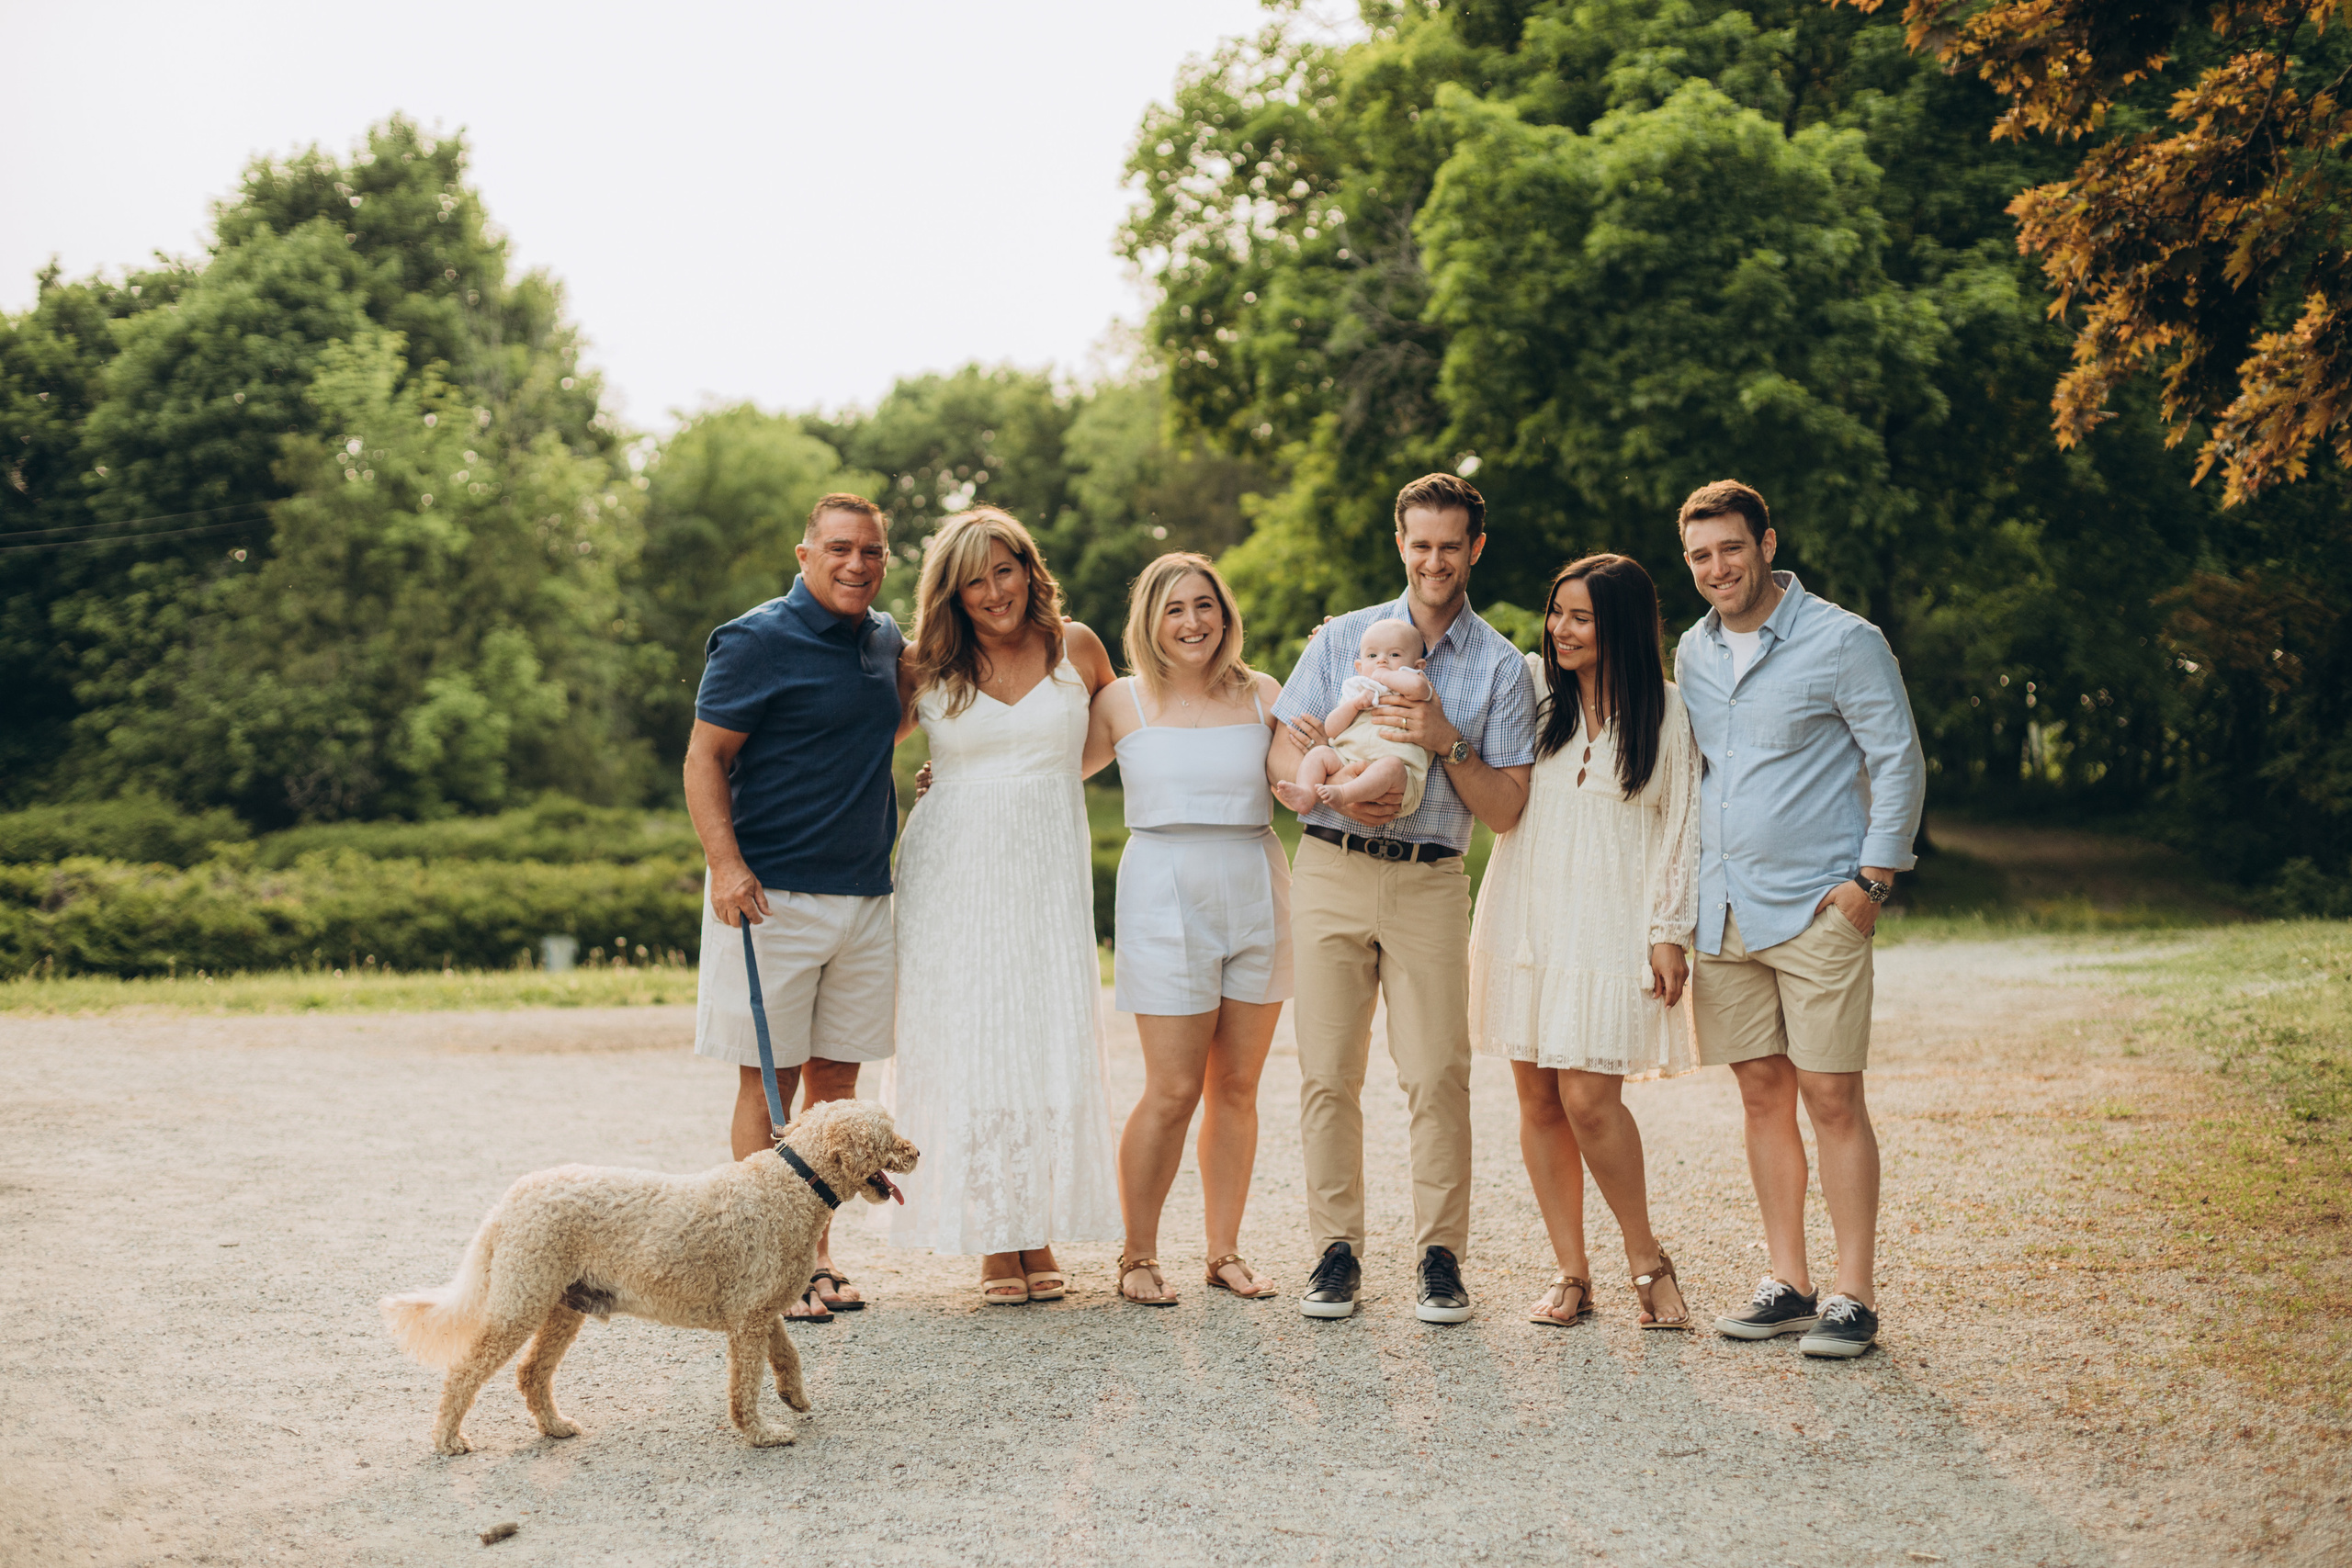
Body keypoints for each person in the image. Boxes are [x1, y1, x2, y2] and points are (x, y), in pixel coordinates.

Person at [1266, 472, 1540, 1324]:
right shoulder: (1342, 641)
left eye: (1451, 546)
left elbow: (1508, 808)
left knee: (1437, 1073)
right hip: (1331, 866)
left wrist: (1445, 741)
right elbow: (1283, 757)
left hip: (1429, 879)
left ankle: (1440, 1257)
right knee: (1326, 1072)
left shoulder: (1500, 666)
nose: (1434, 560)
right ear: (1401, 544)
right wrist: (1335, 792)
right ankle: (1335, 1251)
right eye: (1421, 544)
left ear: (1476, 548)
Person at [1672, 479, 1925, 1359]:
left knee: (1832, 1095)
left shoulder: (1845, 640)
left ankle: (1854, 1293)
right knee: (1760, 1093)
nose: (1717, 568)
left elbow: (1898, 759)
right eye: (1700, 555)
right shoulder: (1693, 652)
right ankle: (1789, 1281)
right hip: (1726, 910)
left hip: (1821, 905)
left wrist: (1872, 883)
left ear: (1767, 544)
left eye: (1731, 548)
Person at [882, 506, 1122, 1304]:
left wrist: (1037, 782)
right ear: (951, 592)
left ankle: (1035, 1226)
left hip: (1047, 869)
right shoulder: (923, 662)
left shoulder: (1076, 646)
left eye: (1004, 570)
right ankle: (994, 1232)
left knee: (1041, 1035)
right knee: (973, 1040)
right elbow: (852, 749)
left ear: (1029, 568)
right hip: (954, 873)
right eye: (974, 581)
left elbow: (1126, 728)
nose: (994, 592)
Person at [683, 492, 902, 1323]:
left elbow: (876, 730)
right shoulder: (753, 640)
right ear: (805, 554)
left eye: (872, 551)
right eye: (840, 548)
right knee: (770, 1083)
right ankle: (762, 1266)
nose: (856, 563)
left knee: (836, 1092)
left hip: (865, 898)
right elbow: (704, 758)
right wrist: (725, 864)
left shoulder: (884, 640)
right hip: (769, 898)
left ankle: (815, 1256)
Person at [1467, 555, 1701, 1330]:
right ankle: (1571, 1270)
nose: (1560, 629)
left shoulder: (1668, 710)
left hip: (1611, 925)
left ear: (1622, 627)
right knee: (1538, 1098)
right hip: (1527, 914)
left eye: (1581, 617)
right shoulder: (1532, 687)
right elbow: (1446, 664)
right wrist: (1358, 641)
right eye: (1556, 612)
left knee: (1590, 1100)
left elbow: (1683, 824)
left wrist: (1669, 930)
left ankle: (1646, 1256)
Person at [1088, 553, 1291, 1306]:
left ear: (1225, 613)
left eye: (1204, 604)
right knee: (1173, 1088)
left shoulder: (1264, 692)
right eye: (1174, 608)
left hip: (1256, 881)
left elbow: (1304, 776)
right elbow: (1044, 773)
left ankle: (1223, 1252)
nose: (1192, 621)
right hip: (1163, 890)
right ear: (1150, 620)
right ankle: (1137, 1254)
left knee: (1236, 1086)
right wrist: (951, 779)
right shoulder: (1119, 702)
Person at [1271, 618, 1434, 817]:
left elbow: (1418, 688)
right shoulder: (1356, 688)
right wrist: (1354, 705)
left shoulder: (1415, 682)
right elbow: (1331, 729)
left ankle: (1343, 793)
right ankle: (1306, 793)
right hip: (1348, 760)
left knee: (1391, 766)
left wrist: (1383, 676)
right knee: (1319, 753)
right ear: (1359, 667)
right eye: (1372, 655)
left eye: (1394, 655)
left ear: (1418, 665)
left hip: (1399, 773)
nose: (1382, 661)